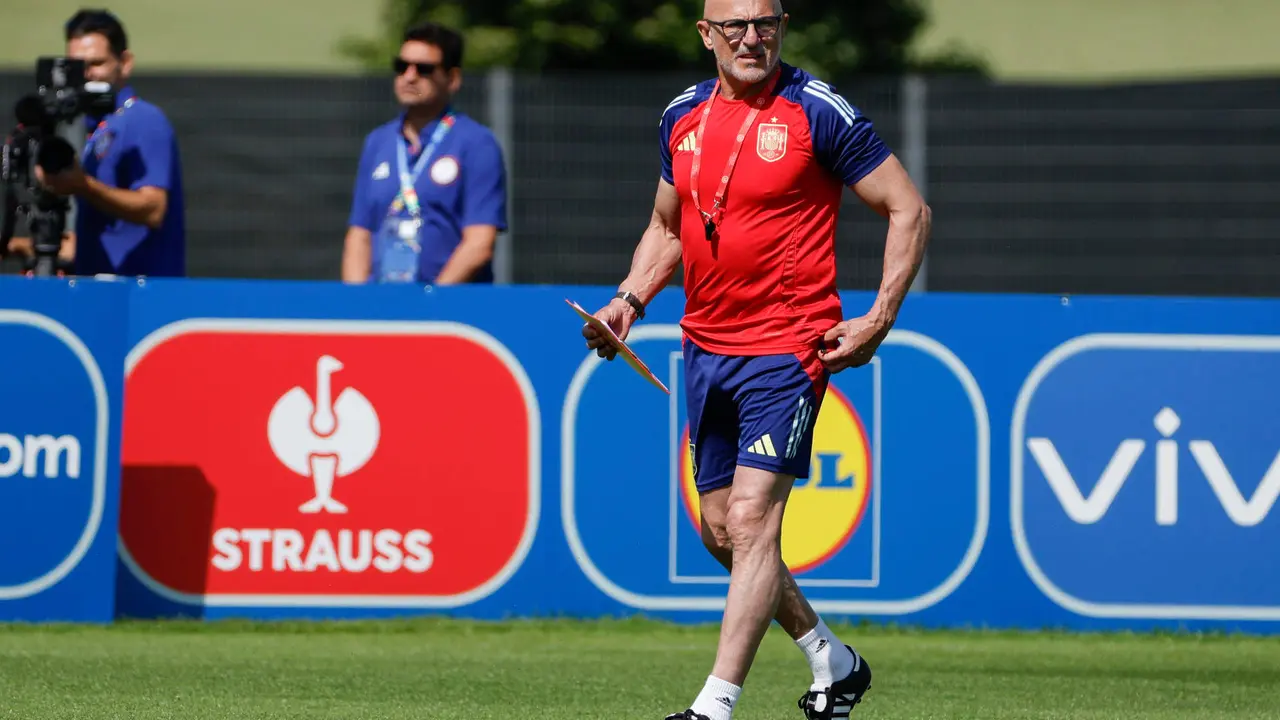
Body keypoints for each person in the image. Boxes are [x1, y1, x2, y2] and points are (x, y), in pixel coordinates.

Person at [581, 1, 932, 719]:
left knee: (750, 520)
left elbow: (909, 208)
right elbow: (667, 225)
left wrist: (879, 318)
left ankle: (715, 705)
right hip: (706, 345)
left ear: (783, 27)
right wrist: (627, 301)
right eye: (735, 26)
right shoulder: (682, 115)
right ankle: (832, 660)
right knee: (720, 530)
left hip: (788, 347)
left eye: (765, 23)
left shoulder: (817, 110)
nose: (752, 37)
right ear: (707, 35)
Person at [9, 9, 186, 277]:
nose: (87, 75)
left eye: (97, 63)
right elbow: (106, 235)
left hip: (141, 300)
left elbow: (153, 209)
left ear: (124, 63)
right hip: (104, 294)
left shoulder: (143, 119)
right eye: (77, 66)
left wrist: (84, 186)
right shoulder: (99, 128)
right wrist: (23, 247)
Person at [341, 21, 508, 286]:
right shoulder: (378, 141)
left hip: (449, 312)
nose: (409, 76)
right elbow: (359, 235)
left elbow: (479, 242)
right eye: (401, 66)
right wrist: (356, 304)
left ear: (452, 78)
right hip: (381, 305)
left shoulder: (477, 143)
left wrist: (430, 306)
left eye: (424, 69)